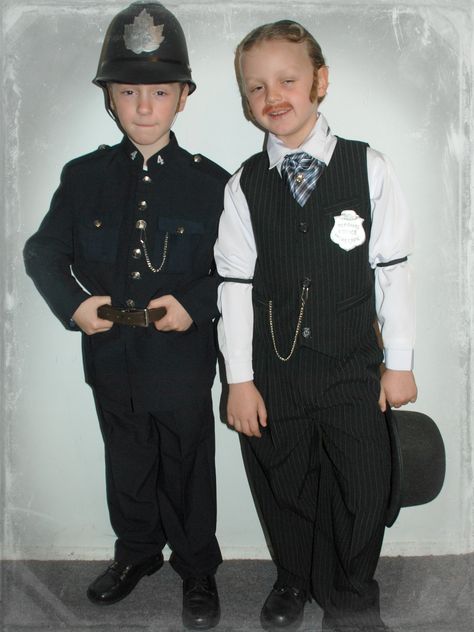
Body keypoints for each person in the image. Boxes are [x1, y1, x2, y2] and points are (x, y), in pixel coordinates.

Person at [23, 3, 228, 629]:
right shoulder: (83, 177)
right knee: (128, 463)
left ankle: (197, 569)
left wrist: (193, 306)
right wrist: (75, 303)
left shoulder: (214, 184)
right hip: (112, 355)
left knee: (188, 469)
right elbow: (44, 251)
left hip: (182, 361)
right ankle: (136, 554)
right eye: (129, 90)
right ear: (110, 97)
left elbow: (238, 270)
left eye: (160, 91)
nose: (144, 105)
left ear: (184, 98)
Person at [215, 19, 417, 632]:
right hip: (273, 373)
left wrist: (400, 361)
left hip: (353, 368)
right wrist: (240, 381)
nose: (272, 96)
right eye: (255, 88)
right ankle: (294, 576)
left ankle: (353, 590)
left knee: (363, 481)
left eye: (287, 80)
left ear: (320, 81)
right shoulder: (244, 185)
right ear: (246, 101)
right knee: (285, 480)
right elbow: (235, 287)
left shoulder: (369, 167)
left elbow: (393, 270)